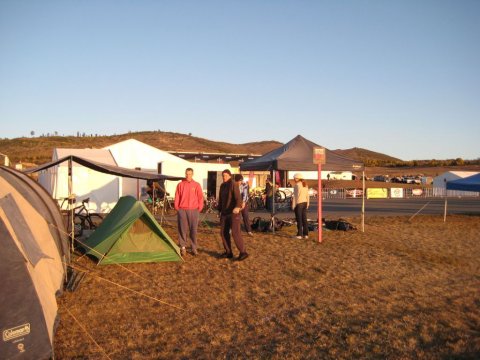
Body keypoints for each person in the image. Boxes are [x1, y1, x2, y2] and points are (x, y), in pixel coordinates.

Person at [217, 170, 249, 260]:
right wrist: (219, 210)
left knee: (235, 233)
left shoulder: (233, 184)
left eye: (226, 175)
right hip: (224, 213)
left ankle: (243, 252)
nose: (224, 177)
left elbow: (238, 198)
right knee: (223, 232)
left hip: (233, 213)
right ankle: (228, 252)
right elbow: (221, 199)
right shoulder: (222, 186)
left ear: (230, 176)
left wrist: (237, 207)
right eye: (223, 175)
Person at [174, 168, 204, 256]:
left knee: (193, 230)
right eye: (187, 174)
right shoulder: (180, 185)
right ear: (185, 174)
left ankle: (194, 247)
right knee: (182, 229)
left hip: (194, 210)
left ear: (192, 174)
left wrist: (200, 207)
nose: (188, 175)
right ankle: (183, 247)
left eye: (190, 174)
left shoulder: (197, 185)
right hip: (182, 210)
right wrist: (177, 208)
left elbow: (200, 197)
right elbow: (177, 196)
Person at [291, 173, 310, 239]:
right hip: (305, 203)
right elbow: (307, 195)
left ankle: (299, 235)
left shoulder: (296, 185)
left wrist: (293, 205)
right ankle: (306, 234)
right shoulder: (305, 185)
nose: (294, 179)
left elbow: (295, 196)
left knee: (299, 220)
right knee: (304, 219)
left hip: (298, 204)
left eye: (294, 178)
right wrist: (308, 204)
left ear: (297, 178)